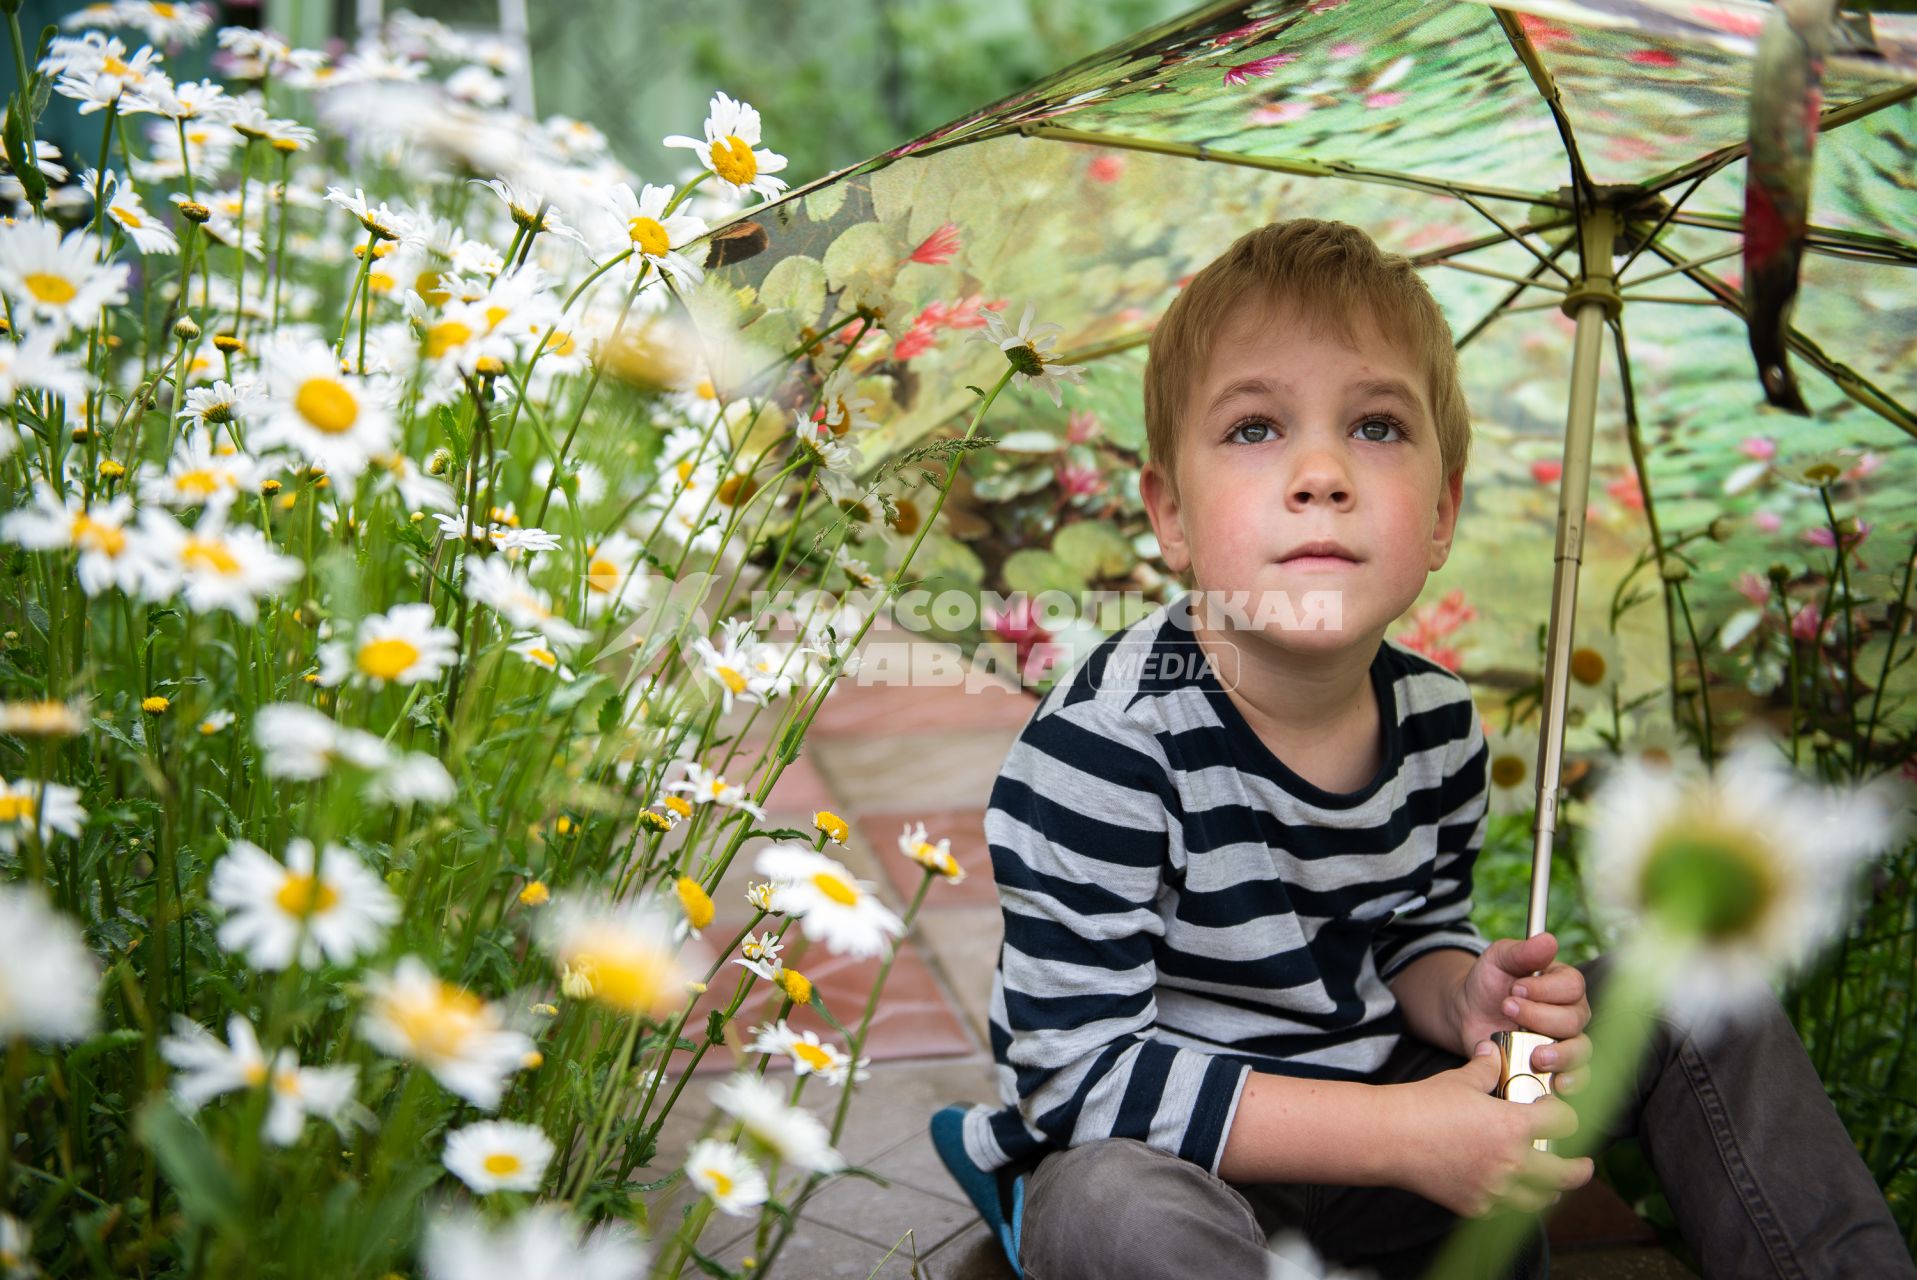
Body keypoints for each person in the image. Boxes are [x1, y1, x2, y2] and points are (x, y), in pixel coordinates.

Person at [931, 219, 1915, 1279]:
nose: (1321, 472)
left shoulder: (1437, 720)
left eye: (1379, 427)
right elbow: (1076, 1072)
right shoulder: (1108, 742)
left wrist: (1466, 997)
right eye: (1257, 428)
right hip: (1194, 1167)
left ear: (1442, 514)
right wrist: (1408, 1131)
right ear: (1170, 513)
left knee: (1691, 996)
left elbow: (1408, 936)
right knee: (1112, 1210)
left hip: (1401, 1142)